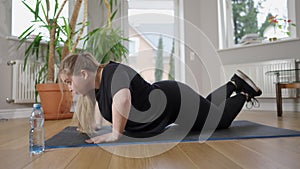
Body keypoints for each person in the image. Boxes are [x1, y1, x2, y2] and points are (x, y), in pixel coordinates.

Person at [59, 53, 262, 144]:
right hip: (171, 103)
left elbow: (122, 101)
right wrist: (91, 125)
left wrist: (115, 134)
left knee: (219, 121)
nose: (69, 88)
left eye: (68, 81)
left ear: (84, 74)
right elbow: (104, 110)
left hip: (176, 100)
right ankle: (234, 83)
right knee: (207, 111)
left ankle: (243, 93)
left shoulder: (113, 72)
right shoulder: (97, 88)